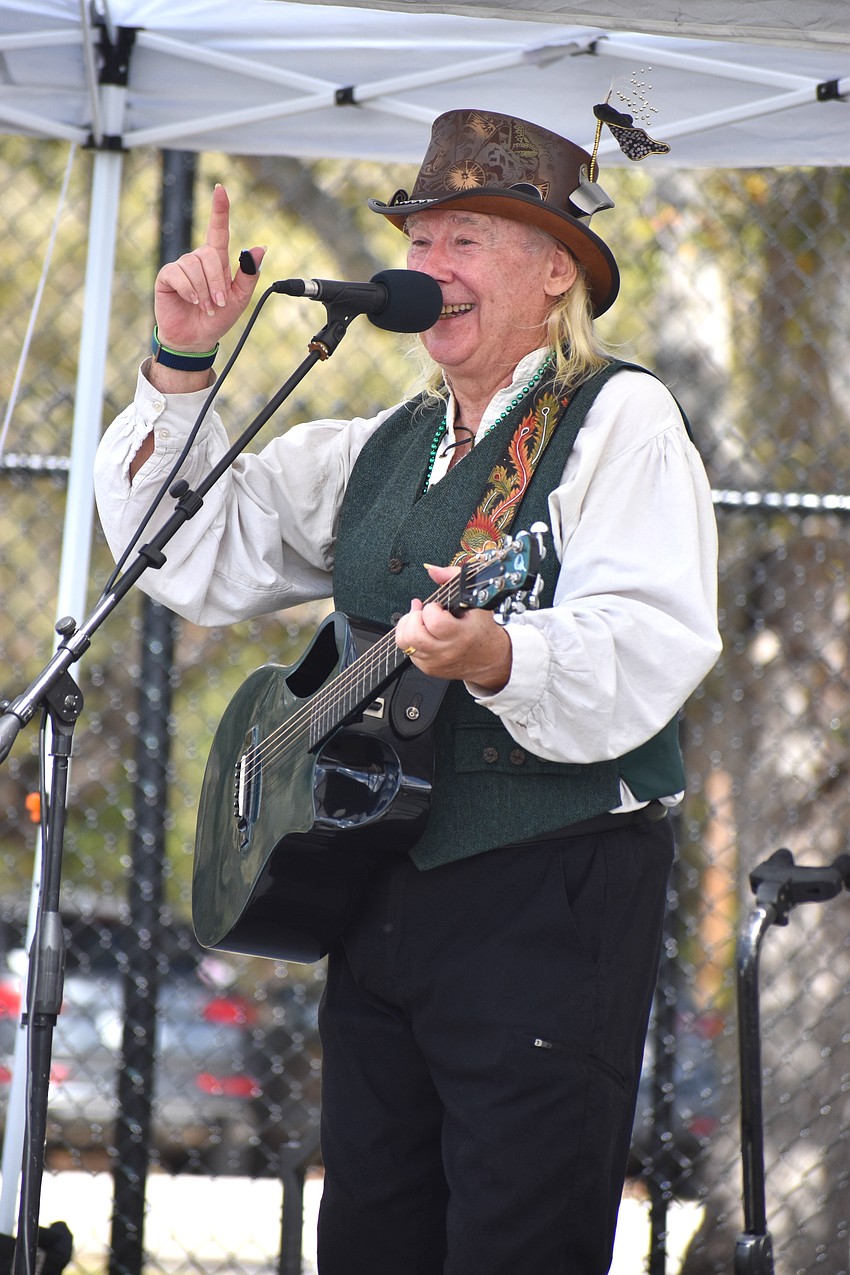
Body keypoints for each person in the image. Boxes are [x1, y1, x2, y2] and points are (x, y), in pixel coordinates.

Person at [94, 109, 721, 1274]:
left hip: (545, 890)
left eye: (464, 241)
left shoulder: (619, 417)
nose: (428, 267)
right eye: (419, 241)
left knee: (516, 1238)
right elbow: (187, 552)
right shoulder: (386, 441)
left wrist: (499, 656)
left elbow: (651, 631)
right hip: (376, 886)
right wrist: (181, 368)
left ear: (555, 272)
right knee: (371, 1233)